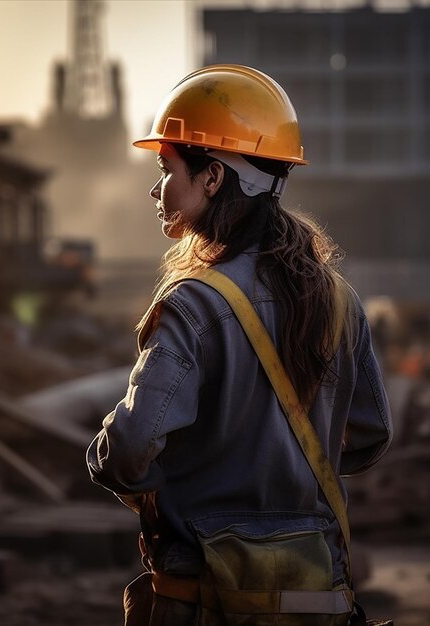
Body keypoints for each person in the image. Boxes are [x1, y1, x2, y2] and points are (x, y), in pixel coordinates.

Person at [87, 64, 393, 626]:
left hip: (205, 597)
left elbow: (129, 451)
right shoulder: (341, 300)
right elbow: (371, 435)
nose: (156, 188)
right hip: (313, 594)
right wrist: (287, 478)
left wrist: (156, 479)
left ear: (212, 178)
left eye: (166, 168)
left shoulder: (194, 304)